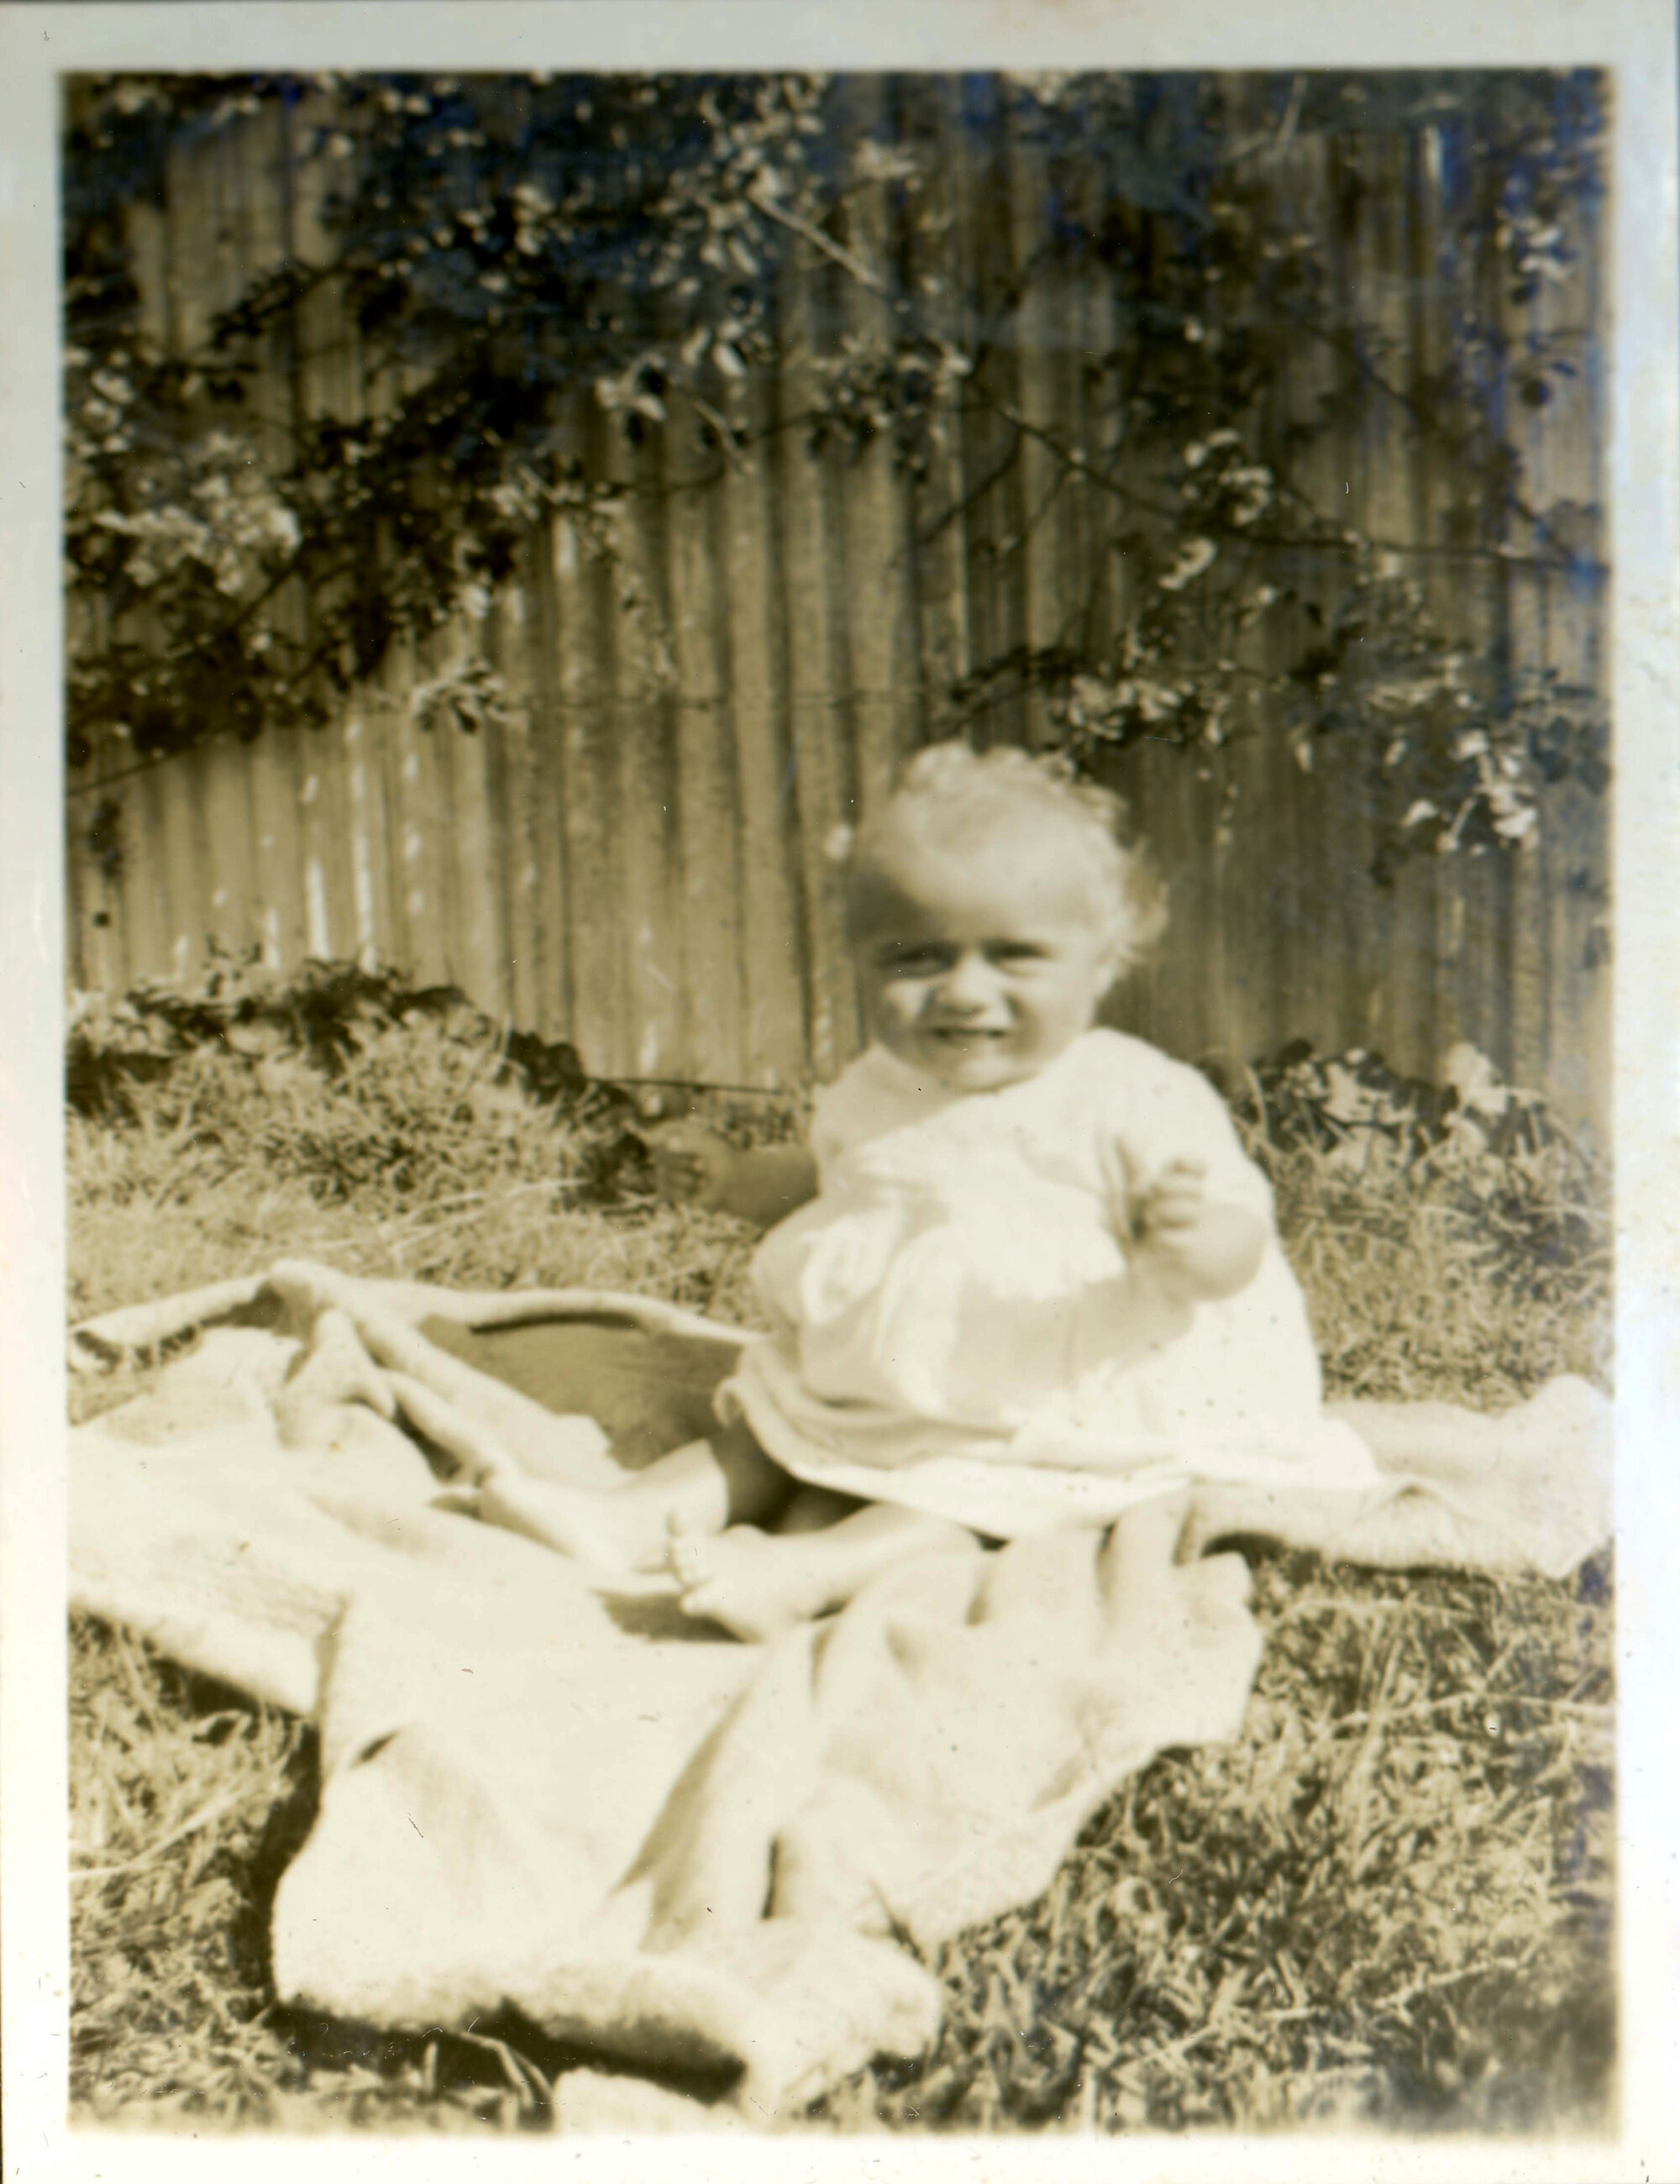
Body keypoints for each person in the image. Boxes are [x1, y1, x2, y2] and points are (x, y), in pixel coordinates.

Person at [465, 743, 1376, 1638]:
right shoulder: (878, 1083)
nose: (964, 992)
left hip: (1058, 1401)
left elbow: (1238, 1236)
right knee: (767, 1425)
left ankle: (804, 1575)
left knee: (953, 1495)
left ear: (1100, 963)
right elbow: (842, 1177)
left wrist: (1186, 1244)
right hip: (911, 1377)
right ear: (860, 961)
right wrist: (736, 1178)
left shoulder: (1129, 1092)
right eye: (915, 958)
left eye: (1014, 956)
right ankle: (629, 1519)